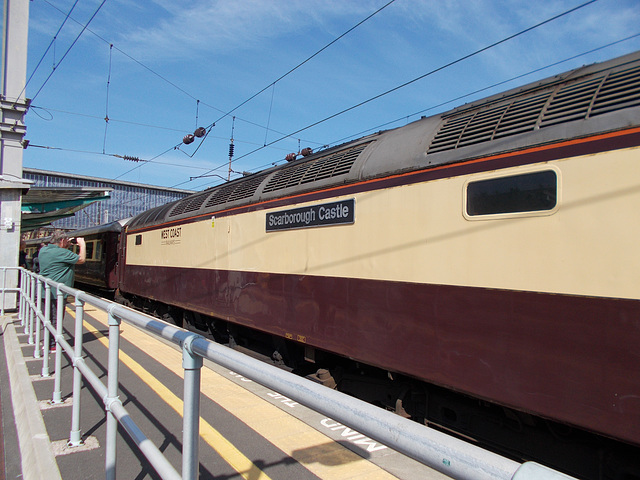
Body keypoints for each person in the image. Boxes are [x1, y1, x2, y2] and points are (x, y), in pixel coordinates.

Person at [38, 231, 86, 350]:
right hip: (57, 293)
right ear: (62, 241)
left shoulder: (43, 250)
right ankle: (53, 345)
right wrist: (82, 245)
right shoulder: (62, 252)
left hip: (44, 290)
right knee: (56, 318)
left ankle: (48, 342)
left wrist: (67, 244)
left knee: (47, 318)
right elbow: (81, 259)